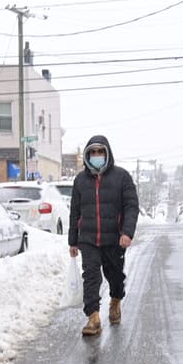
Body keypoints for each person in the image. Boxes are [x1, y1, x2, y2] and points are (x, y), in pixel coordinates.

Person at [68, 135, 139, 337]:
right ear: (87, 155)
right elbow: (75, 211)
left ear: (107, 153)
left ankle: (115, 300)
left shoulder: (122, 177)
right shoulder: (80, 180)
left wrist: (127, 232)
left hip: (114, 238)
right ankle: (93, 317)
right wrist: (73, 241)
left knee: (115, 276)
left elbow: (131, 206)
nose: (97, 155)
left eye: (100, 151)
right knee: (91, 276)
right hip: (88, 239)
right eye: (93, 152)